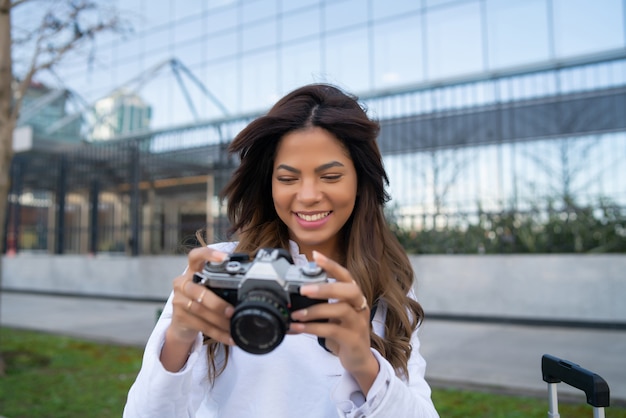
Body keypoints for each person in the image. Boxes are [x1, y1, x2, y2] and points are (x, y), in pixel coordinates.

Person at [123, 83, 439, 418]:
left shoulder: (387, 285)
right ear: (269, 185)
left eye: (330, 176)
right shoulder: (220, 272)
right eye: (288, 179)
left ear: (362, 181)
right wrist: (179, 339)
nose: (307, 195)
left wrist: (363, 362)